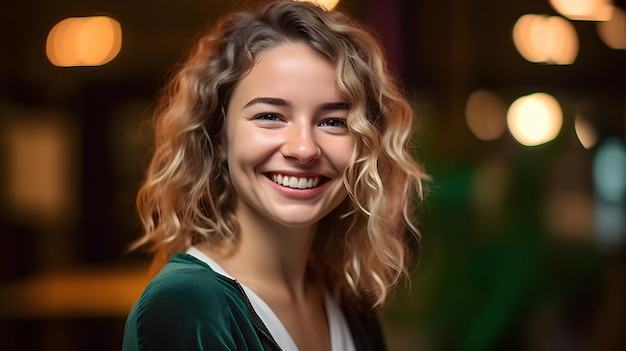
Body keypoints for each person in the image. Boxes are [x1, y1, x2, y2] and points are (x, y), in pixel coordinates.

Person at [122, 1, 427, 350]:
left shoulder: (349, 303)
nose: (304, 148)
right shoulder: (183, 308)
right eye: (270, 116)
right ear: (218, 137)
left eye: (333, 121)